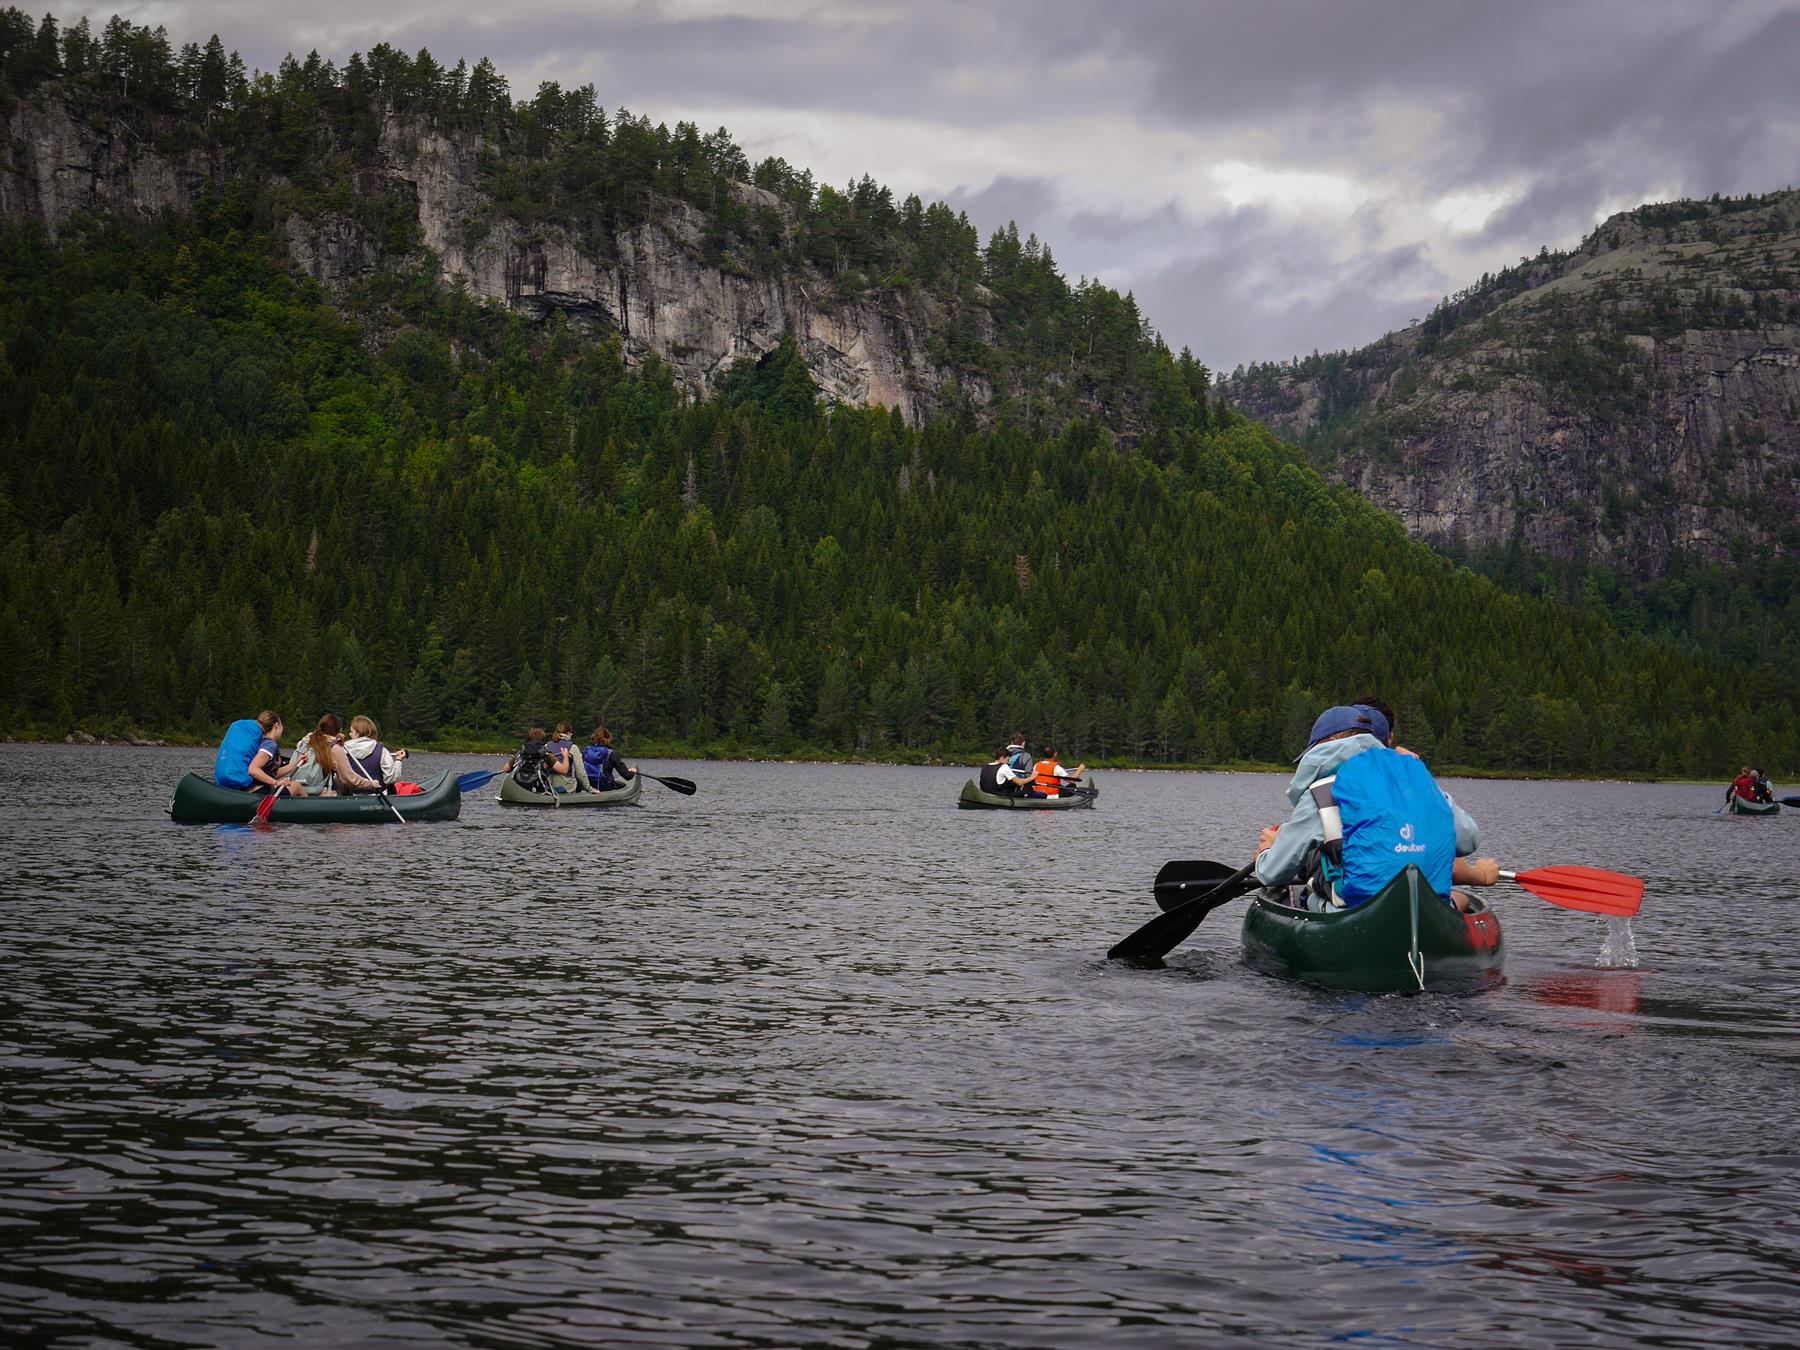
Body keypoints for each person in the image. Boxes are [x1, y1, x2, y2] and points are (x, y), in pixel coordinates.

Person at [1254, 704, 1499, 915]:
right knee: (1459, 898)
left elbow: (1272, 873)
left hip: (1358, 910)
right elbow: (1467, 841)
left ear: (1327, 743)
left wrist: (1267, 852)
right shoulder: (1415, 778)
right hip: (1425, 903)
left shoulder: (1322, 790)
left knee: (1310, 894)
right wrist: (1423, 779)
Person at [214, 710, 304, 795]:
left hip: (232, 785)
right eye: (282, 726)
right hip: (254, 790)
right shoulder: (270, 745)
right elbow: (253, 770)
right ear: (277, 725)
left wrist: (296, 764)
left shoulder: (259, 742)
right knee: (297, 786)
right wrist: (275, 782)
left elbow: (272, 773)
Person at [287, 713, 344, 796]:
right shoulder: (334, 747)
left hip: (298, 790)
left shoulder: (304, 742)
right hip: (322, 792)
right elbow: (346, 777)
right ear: (337, 731)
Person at [343, 715, 408, 788]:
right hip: (376, 793)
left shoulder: (343, 750)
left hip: (350, 793)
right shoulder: (382, 751)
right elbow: (391, 778)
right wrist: (398, 760)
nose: (349, 734)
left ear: (358, 733)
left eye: (351, 731)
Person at [582, 726, 635, 791]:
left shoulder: (586, 751)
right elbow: (627, 776)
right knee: (623, 786)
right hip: (605, 787)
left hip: (588, 785)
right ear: (608, 739)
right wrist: (633, 771)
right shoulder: (611, 754)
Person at [545, 721, 592, 793]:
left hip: (550, 788)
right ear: (568, 733)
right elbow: (580, 773)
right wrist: (589, 788)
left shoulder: (547, 746)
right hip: (568, 789)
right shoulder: (573, 747)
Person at [509, 727, 553, 793]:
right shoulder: (547, 755)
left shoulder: (521, 754)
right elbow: (563, 770)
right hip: (536, 789)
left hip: (519, 786)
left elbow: (506, 769)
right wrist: (566, 756)